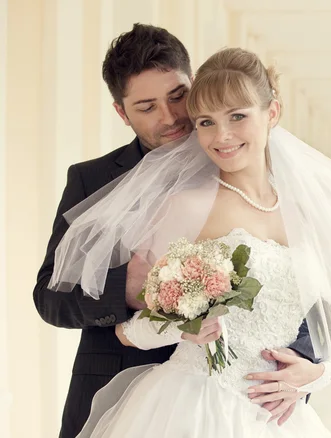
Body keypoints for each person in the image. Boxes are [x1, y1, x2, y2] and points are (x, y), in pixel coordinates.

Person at [49, 47, 331, 437]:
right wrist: (181, 328)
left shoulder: (307, 210)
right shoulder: (184, 206)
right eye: (206, 122)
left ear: (272, 113)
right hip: (195, 404)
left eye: (238, 117)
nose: (222, 136)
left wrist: (318, 373)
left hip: (278, 413)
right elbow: (131, 330)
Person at [33, 24, 314, 438]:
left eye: (178, 96)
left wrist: (306, 363)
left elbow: (289, 284)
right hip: (123, 392)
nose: (170, 117)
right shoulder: (90, 181)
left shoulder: (247, 160)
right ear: (121, 112)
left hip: (239, 401)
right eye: (146, 107)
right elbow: (49, 297)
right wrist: (127, 290)